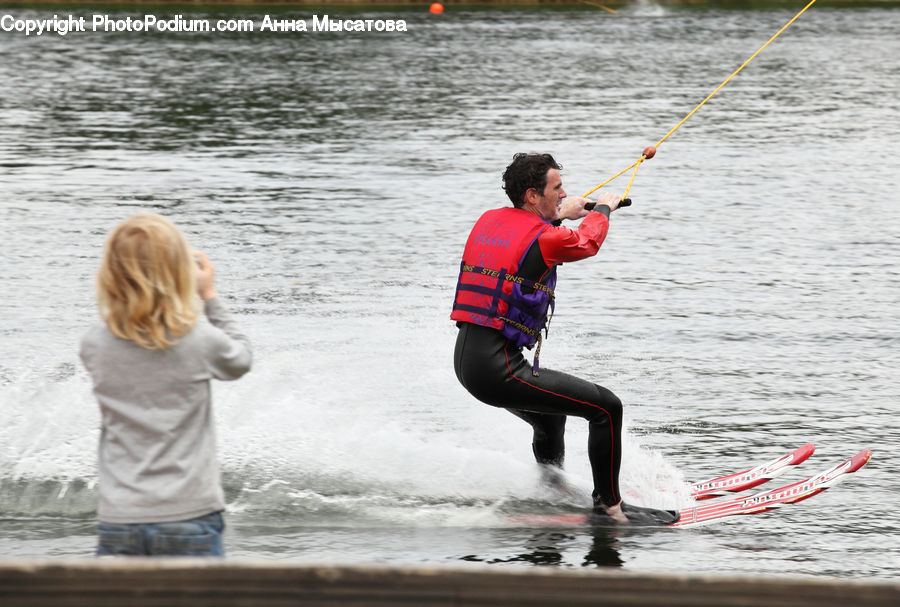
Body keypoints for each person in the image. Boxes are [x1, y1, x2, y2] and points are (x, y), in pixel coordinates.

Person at [451, 153, 678, 526]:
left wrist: (557, 213)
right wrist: (602, 208)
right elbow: (586, 242)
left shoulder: (491, 220)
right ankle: (609, 507)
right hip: (498, 369)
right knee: (606, 407)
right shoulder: (545, 238)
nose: (565, 192)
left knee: (551, 420)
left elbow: (527, 244)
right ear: (531, 196)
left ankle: (551, 492)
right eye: (557, 188)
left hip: (468, 363)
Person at [80, 213, 252, 555]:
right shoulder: (199, 340)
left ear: (111, 274)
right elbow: (240, 360)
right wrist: (210, 296)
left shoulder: (94, 344)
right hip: (189, 514)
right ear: (178, 272)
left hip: (120, 517)